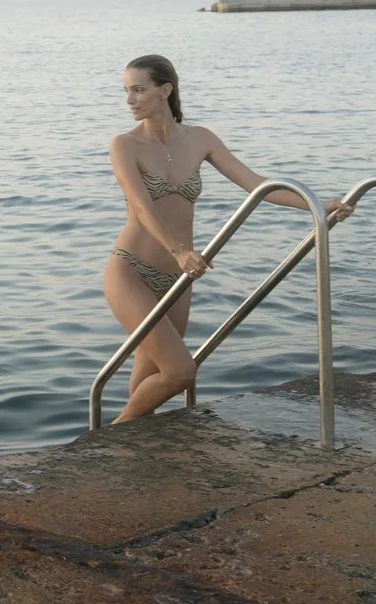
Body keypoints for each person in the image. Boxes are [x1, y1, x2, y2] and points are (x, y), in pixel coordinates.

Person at [104, 53, 353, 425]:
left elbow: (257, 187)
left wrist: (321, 204)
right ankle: (106, 440)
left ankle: (126, 453)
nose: (129, 100)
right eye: (126, 91)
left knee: (153, 374)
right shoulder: (124, 145)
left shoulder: (200, 138)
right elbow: (142, 208)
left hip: (178, 277)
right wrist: (180, 250)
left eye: (138, 90)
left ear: (165, 90)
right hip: (131, 270)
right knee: (179, 372)